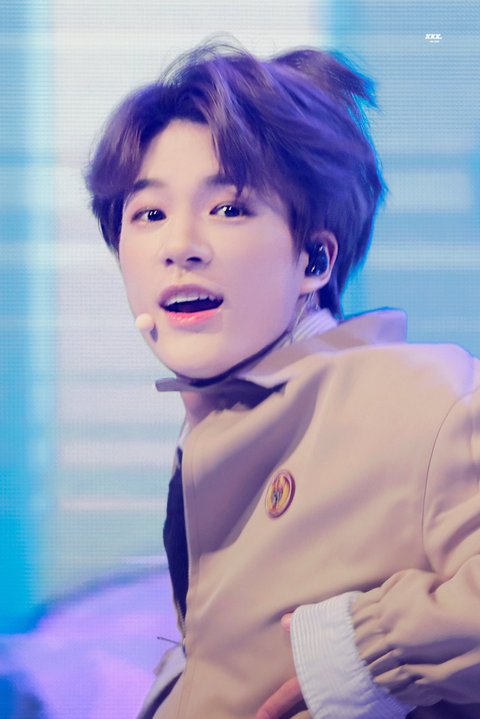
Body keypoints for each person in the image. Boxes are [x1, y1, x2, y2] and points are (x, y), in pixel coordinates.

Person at [85, 40, 480, 719]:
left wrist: (369, 650)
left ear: (314, 260)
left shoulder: (425, 396)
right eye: (148, 214)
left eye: (229, 208)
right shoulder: (218, 424)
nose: (179, 245)